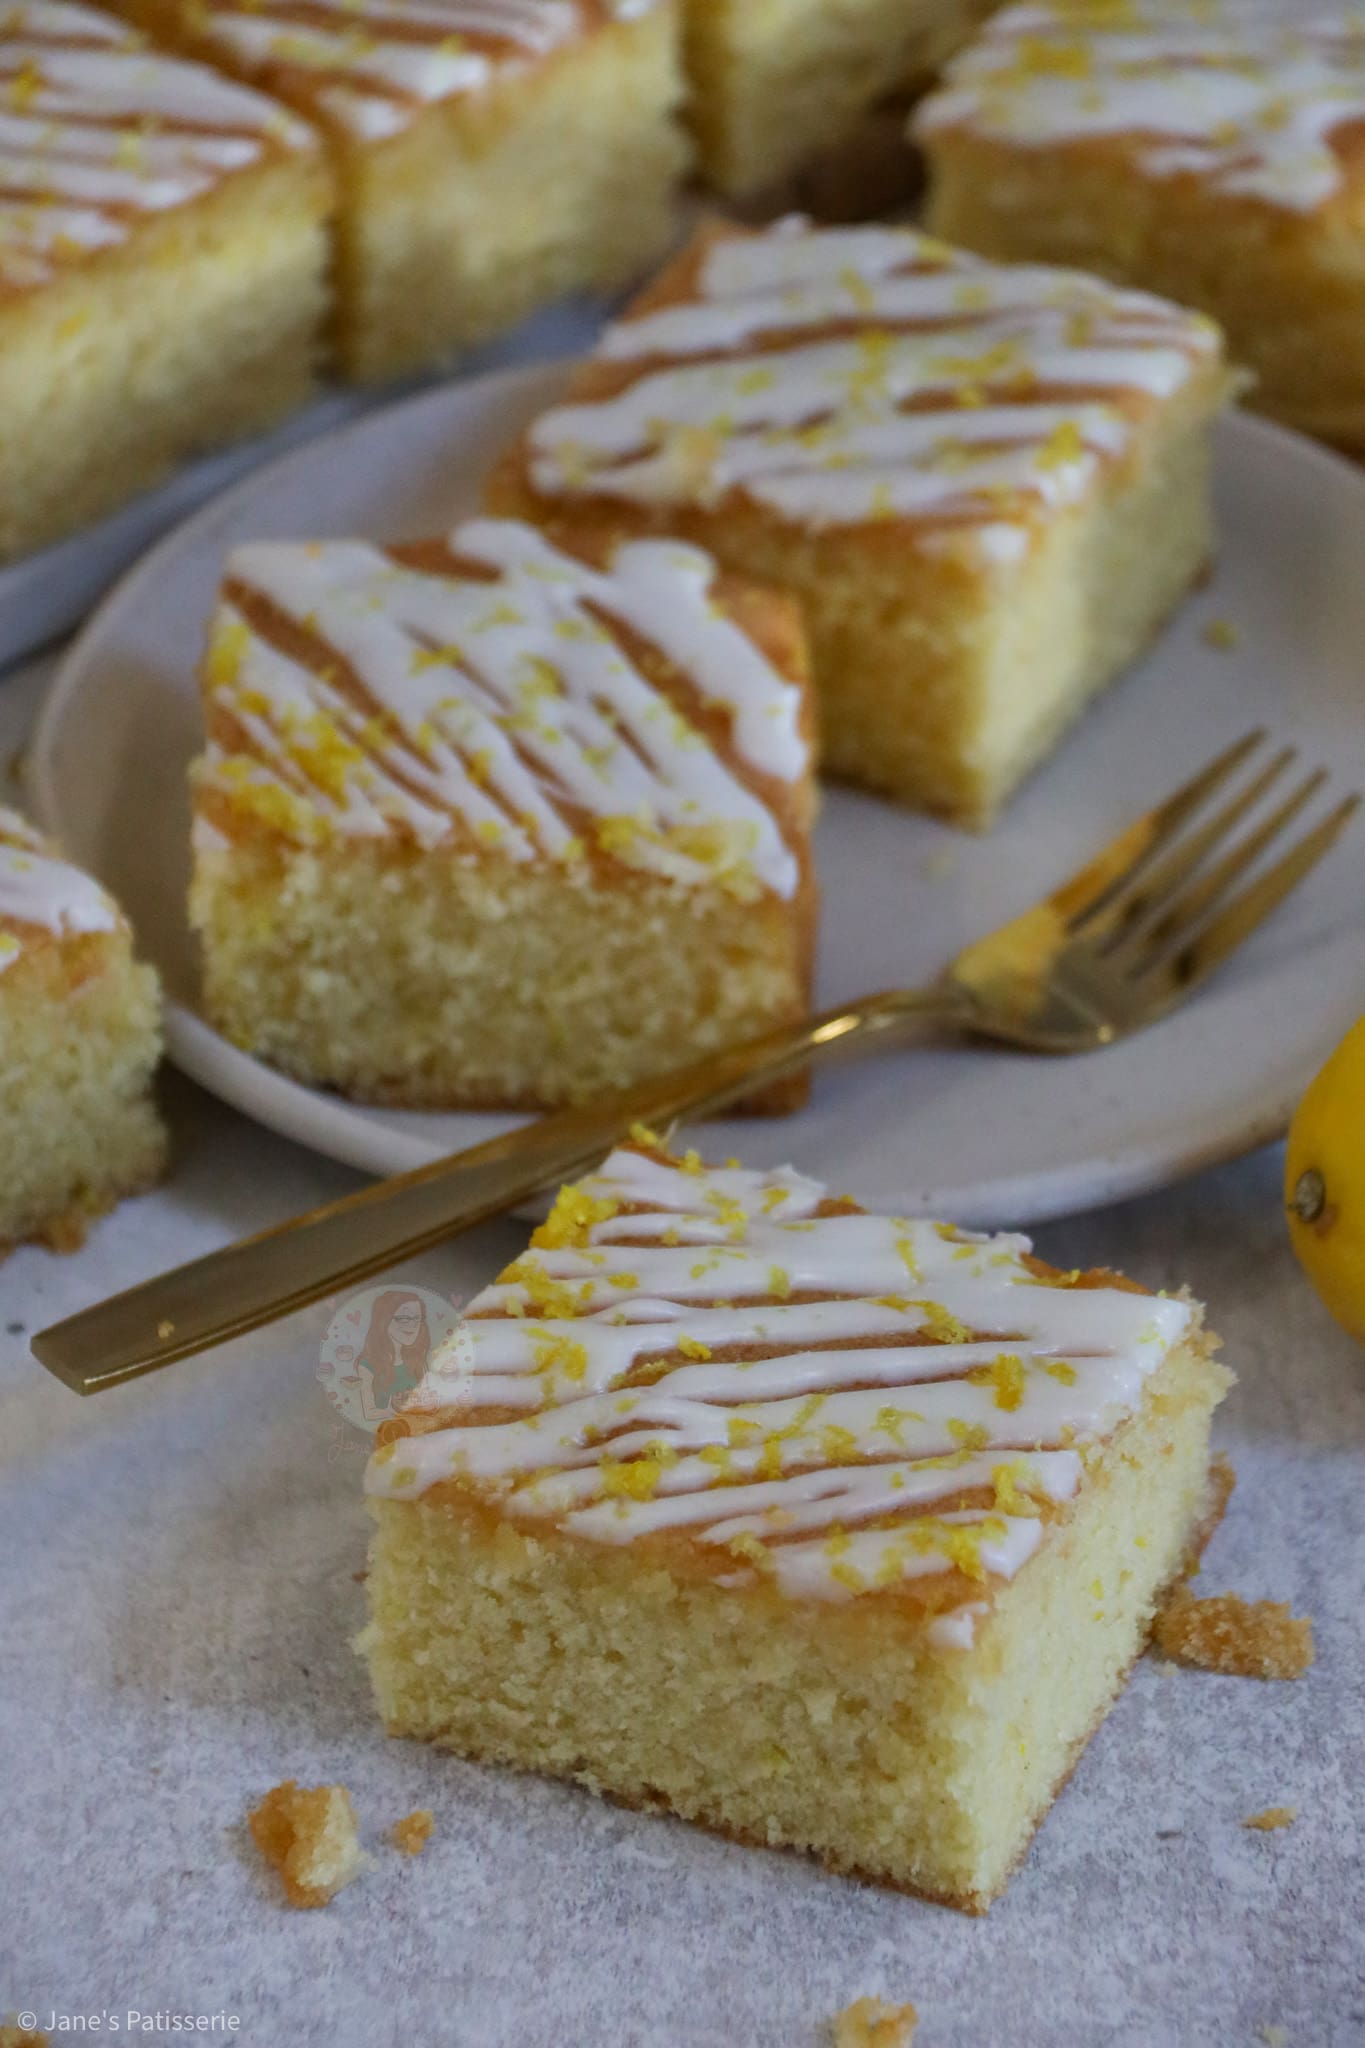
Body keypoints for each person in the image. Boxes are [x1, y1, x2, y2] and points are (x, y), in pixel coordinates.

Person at [358, 1290, 432, 1419]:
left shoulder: (417, 1358)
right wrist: (395, 1409)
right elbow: (369, 1413)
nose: (413, 1325)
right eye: (404, 1318)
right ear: (384, 1320)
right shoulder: (367, 1365)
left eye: (417, 1318)